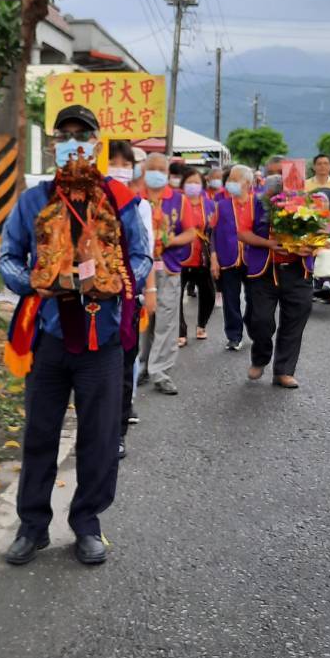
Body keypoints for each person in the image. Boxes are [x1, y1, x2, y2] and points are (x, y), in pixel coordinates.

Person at [0, 107, 151, 567]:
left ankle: (87, 523)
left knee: (100, 438)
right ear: (53, 146)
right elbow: (8, 258)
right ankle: (32, 526)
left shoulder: (121, 200)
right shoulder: (33, 201)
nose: (73, 143)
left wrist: (114, 280)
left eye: (81, 134)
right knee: (39, 433)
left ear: (97, 143)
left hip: (102, 339)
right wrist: (35, 281)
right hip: (48, 336)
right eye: (64, 135)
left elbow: (142, 256)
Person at [106, 139, 154, 458]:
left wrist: (145, 289)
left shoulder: (139, 206)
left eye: (126, 165)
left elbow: (144, 254)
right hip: (84, 303)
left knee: (123, 367)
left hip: (124, 300)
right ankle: (94, 431)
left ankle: (117, 433)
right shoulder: (85, 200)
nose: (120, 170)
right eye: (114, 163)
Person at [135, 152, 198, 395]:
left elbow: (191, 232)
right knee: (142, 319)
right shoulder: (135, 198)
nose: (157, 174)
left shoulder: (178, 200)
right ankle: (141, 365)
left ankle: (160, 372)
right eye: (152, 169)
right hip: (140, 269)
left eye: (162, 170)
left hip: (169, 267)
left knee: (166, 320)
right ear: (144, 171)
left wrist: (171, 240)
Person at [245, 177, 316, 389]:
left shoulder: (309, 204)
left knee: (295, 319)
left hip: (298, 271)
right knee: (260, 320)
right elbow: (242, 232)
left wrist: (311, 246)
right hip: (265, 270)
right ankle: (260, 358)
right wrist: (268, 243)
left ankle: (284, 371)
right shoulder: (255, 204)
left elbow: (320, 233)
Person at [210, 163, 257, 351]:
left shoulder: (258, 204)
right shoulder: (221, 206)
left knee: (254, 300)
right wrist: (214, 258)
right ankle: (234, 336)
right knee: (230, 300)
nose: (230, 182)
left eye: (235, 179)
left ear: (247, 183)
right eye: (229, 179)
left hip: (254, 260)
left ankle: (251, 324)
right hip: (228, 259)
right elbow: (212, 233)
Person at [177, 168, 216, 344]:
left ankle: (202, 324)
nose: (193, 185)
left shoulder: (209, 205)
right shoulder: (176, 202)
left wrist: (215, 257)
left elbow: (214, 231)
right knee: (175, 297)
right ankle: (180, 332)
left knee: (209, 294)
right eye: (189, 182)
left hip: (202, 258)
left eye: (196, 182)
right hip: (178, 258)